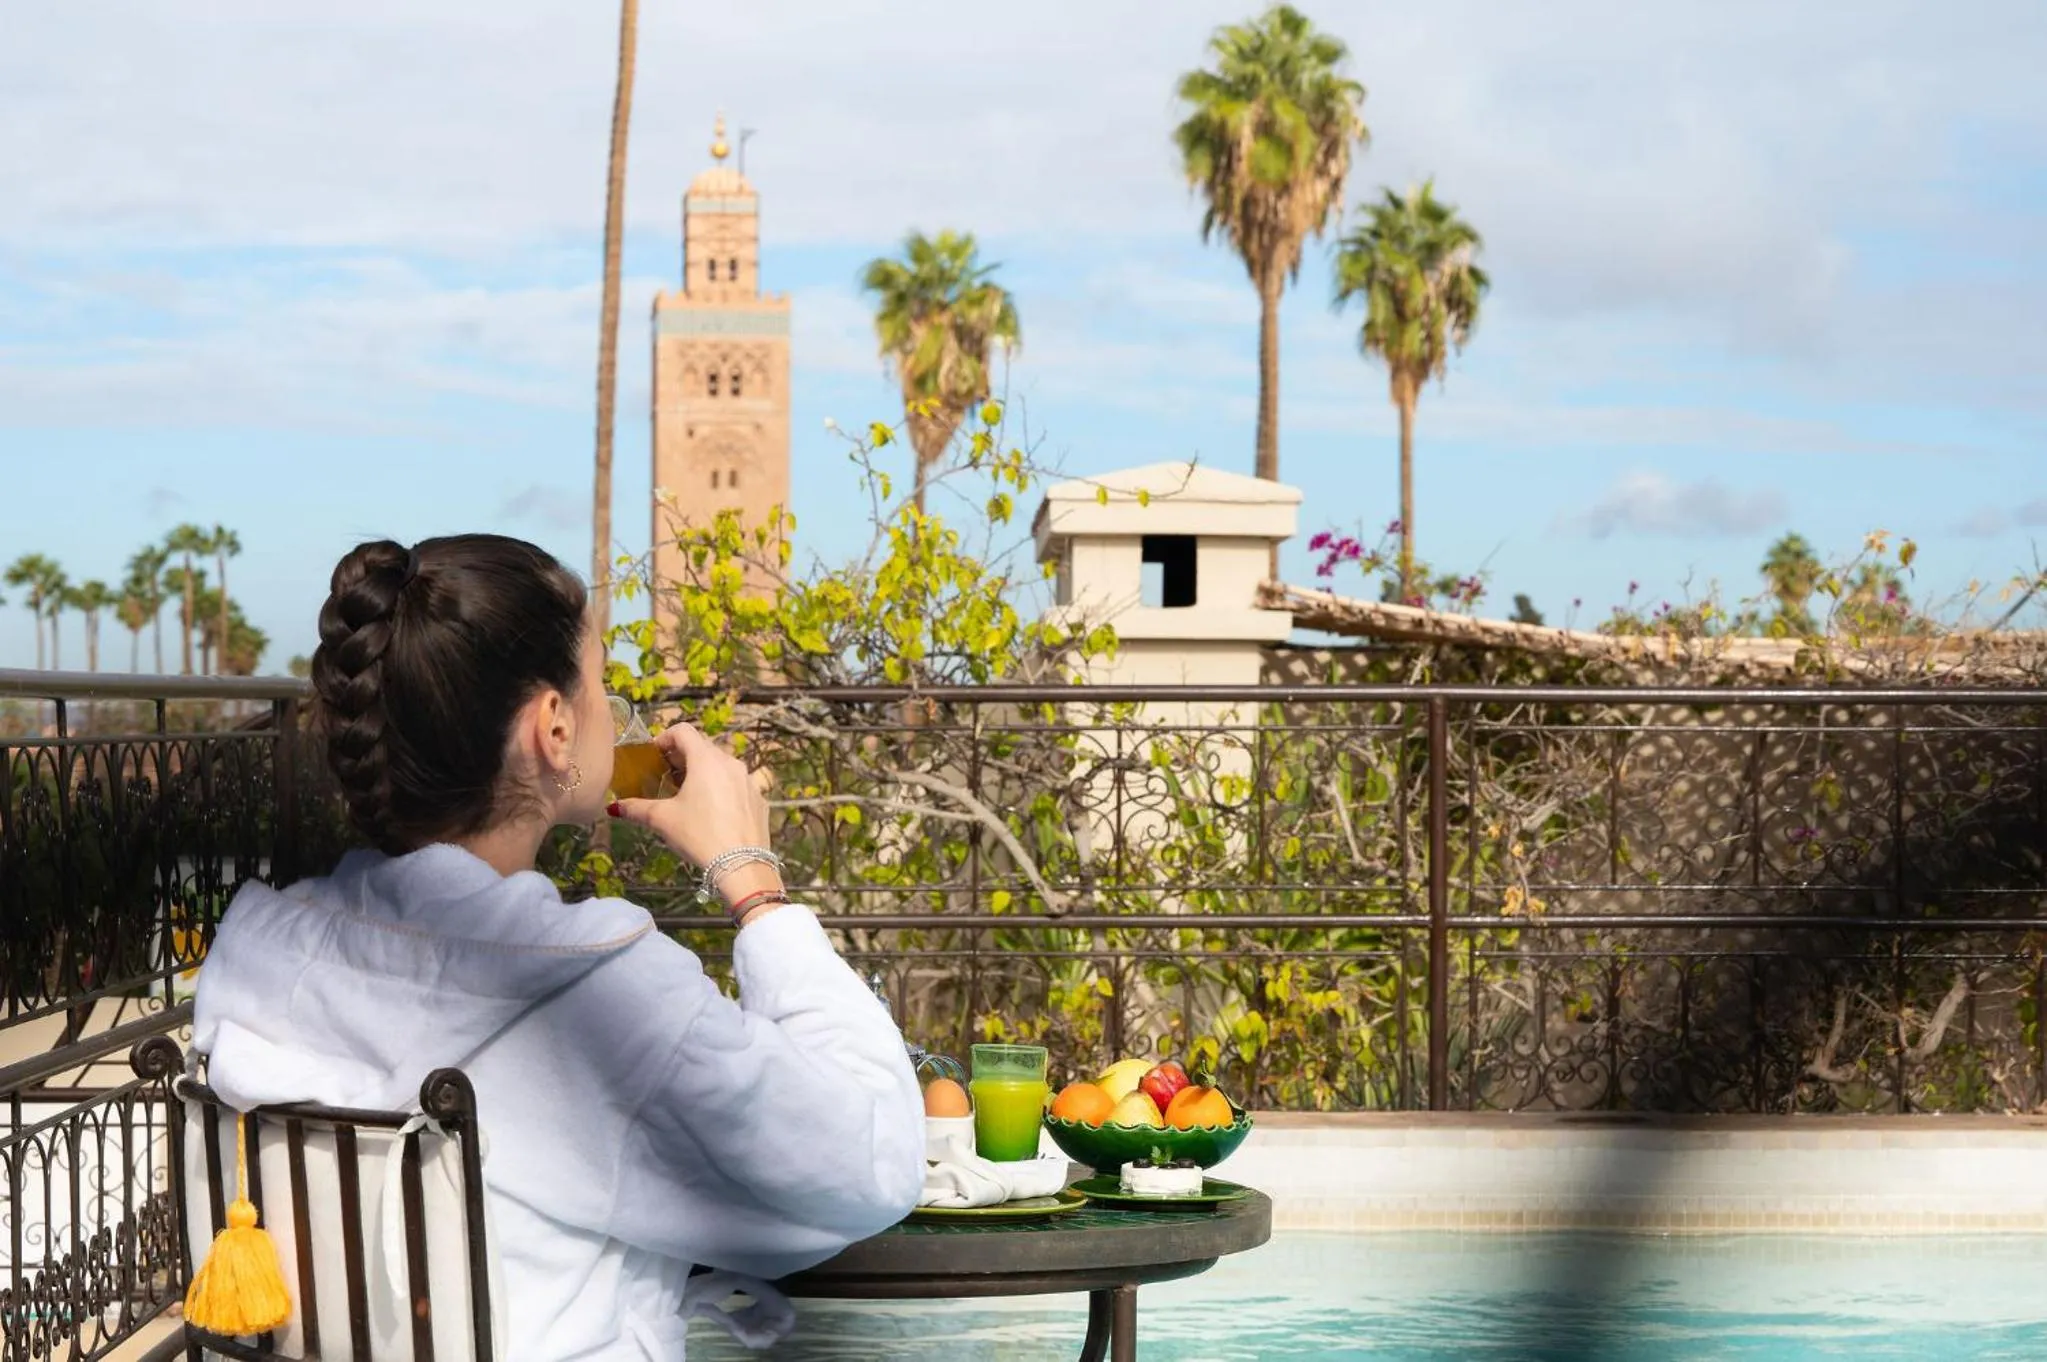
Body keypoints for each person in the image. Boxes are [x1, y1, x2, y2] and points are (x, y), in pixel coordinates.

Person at [191, 534, 925, 1359]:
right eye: (601, 682)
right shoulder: (598, 998)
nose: (613, 707)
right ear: (553, 726)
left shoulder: (266, 951)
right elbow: (868, 1164)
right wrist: (753, 883)